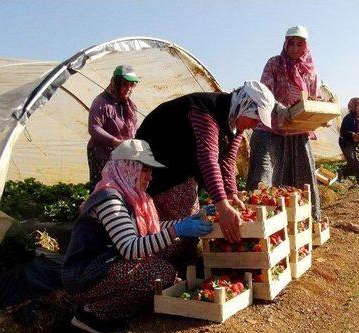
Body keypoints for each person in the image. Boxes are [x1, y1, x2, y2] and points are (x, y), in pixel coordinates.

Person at [62, 139, 214, 333]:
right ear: (128, 167)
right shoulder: (109, 199)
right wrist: (177, 230)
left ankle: (121, 304)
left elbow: (152, 229)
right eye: (145, 169)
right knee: (159, 273)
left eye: (151, 171)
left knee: (171, 248)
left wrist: (185, 222)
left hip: (107, 264)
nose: (150, 177)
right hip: (87, 274)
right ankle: (93, 315)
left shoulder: (133, 196)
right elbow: (130, 248)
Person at [136, 81, 276, 243]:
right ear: (246, 105)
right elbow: (208, 159)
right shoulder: (206, 110)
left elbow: (227, 161)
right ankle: (166, 262)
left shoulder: (235, 122)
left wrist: (230, 193)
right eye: (255, 119)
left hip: (182, 168)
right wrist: (222, 207)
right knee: (169, 227)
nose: (254, 126)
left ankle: (181, 260)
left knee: (190, 225)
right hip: (156, 165)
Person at [247, 25, 322, 221]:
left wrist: (321, 116)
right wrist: (279, 107)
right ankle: (258, 224)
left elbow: (315, 98)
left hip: (297, 130)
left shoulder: (310, 71)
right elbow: (264, 91)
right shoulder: (274, 64)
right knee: (264, 176)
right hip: (270, 128)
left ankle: (305, 222)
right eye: (291, 44)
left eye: (300, 44)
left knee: (303, 176)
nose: (295, 48)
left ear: (306, 47)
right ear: (285, 44)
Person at [87, 64, 140, 191]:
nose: (129, 88)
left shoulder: (130, 106)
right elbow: (94, 127)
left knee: (123, 190)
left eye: (132, 85)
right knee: (104, 189)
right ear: (115, 83)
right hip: (102, 155)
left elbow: (134, 127)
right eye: (125, 84)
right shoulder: (101, 103)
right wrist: (115, 142)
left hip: (122, 156)